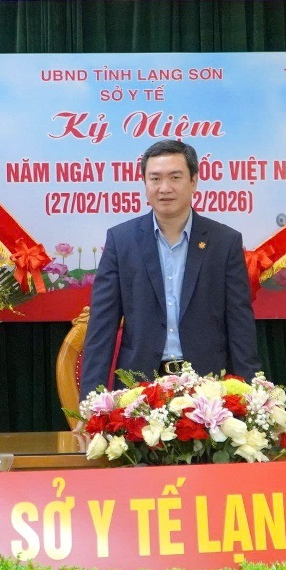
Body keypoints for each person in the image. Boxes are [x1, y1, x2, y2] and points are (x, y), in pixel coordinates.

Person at [80, 139, 262, 396]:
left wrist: (251, 394)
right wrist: (91, 399)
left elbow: (240, 324)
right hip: (139, 388)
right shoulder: (121, 241)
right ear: (145, 183)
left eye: (175, 177)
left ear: (193, 181)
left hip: (209, 388)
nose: (164, 188)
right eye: (155, 179)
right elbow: (102, 325)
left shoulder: (224, 242)